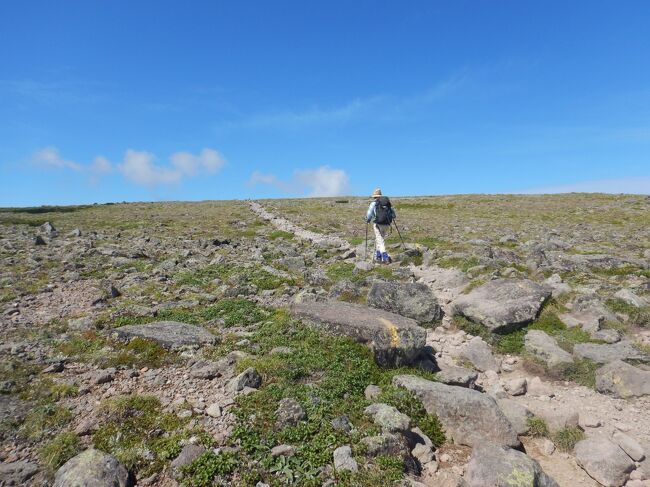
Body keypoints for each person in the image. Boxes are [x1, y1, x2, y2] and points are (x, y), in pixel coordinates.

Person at [365, 188, 396, 264]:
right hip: (387, 224)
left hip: (378, 224)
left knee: (380, 240)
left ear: (374, 196)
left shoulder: (374, 203)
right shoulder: (386, 203)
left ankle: (385, 257)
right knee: (379, 239)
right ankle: (378, 256)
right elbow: (394, 215)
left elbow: (369, 215)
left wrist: (368, 220)